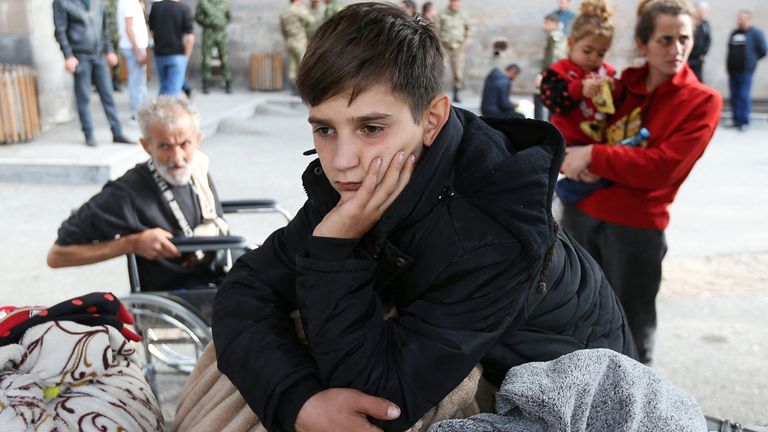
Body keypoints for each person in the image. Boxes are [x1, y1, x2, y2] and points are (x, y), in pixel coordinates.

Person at [212, 3, 636, 432]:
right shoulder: (366, 179)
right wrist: (295, 401)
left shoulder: (491, 229)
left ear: (431, 119)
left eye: (371, 128)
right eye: (324, 129)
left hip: (573, 403)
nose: (341, 161)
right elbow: (243, 291)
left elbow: (379, 400)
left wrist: (333, 248)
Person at [559, 0, 722, 365]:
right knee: (573, 320)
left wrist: (594, 156)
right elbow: (576, 122)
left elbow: (664, 168)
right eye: (665, 40)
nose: (677, 49)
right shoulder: (618, 86)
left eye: (684, 38)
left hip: (635, 228)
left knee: (631, 334)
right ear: (642, 43)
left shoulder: (702, 100)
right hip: (579, 212)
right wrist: (573, 147)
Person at [47, 96, 229, 293]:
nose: (177, 158)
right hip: (178, 294)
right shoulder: (125, 194)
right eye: (165, 146)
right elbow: (57, 256)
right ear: (146, 146)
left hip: (217, 272)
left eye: (184, 144)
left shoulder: (197, 167)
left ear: (197, 140)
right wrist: (130, 243)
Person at [540, 0, 620, 204]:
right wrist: (579, 90)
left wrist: (614, 90)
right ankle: (559, 199)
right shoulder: (560, 71)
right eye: (588, 51)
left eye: (601, 53)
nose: (594, 58)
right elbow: (552, 101)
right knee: (577, 184)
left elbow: (618, 109)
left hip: (597, 143)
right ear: (571, 43)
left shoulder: (607, 73)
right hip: (567, 143)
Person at [52, 0, 134, 147]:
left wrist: (109, 50)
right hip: (80, 55)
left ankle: (117, 132)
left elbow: (105, 27)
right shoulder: (62, 2)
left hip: (99, 55)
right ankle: (89, 134)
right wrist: (68, 55)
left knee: (108, 95)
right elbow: (60, 30)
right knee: (83, 97)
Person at [726, 9, 766, 132]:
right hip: (733, 70)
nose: (739, 21)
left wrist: (751, 61)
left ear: (748, 19)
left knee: (743, 95)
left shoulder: (756, 33)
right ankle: (736, 119)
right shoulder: (735, 33)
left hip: (746, 71)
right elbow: (730, 49)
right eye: (738, 18)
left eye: (741, 19)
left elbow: (763, 50)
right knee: (734, 96)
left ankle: (744, 121)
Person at [148, 0, 195, 96]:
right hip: (177, 54)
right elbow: (189, 37)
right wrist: (186, 56)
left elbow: (152, 31)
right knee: (172, 93)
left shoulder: (155, 7)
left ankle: (159, 108)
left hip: (160, 53)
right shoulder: (183, 9)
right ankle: (164, 109)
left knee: (164, 87)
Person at [118, 0, 149, 121]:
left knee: (140, 81)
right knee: (136, 82)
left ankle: (143, 111)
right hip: (133, 47)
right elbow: (129, 28)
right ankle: (136, 114)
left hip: (136, 46)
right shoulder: (128, 3)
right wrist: (137, 51)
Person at [534, 13, 568, 120]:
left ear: (555, 24)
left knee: (540, 98)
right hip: (554, 75)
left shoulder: (555, 37)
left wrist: (543, 75)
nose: (544, 26)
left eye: (547, 23)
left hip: (553, 76)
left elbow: (555, 59)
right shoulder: (556, 36)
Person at [195, 0, 233, 94]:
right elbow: (198, 17)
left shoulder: (224, 2)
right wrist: (208, 22)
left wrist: (221, 23)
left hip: (221, 33)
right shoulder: (203, 2)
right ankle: (206, 84)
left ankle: (228, 83)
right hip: (208, 32)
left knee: (225, 58)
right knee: (206, 59)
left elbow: (229, 17)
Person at [438, 0, 470, 103]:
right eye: (454, 2)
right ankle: (438, 93)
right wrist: (439, 45)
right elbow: (436, 29)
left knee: (458, 72)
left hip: (458, 49)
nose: (455, 4)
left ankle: (456, 93)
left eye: (457, 2)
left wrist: (464, 44)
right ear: (450, 2)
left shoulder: (463, 15)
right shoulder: (442, 14)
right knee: (439, 70)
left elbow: (468, 31)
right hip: (445, 47)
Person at [281, 0, 314, 92]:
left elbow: (283, 29)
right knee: (303, 64)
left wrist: (288, 39)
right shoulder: (299, 10)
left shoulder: (285, 12)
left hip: (290, 41)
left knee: (292, 66)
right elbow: (311, 21)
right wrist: (305, 10)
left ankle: (293, 88)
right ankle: (302, 90)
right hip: (300, 41)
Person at [687, 1, 710, 82]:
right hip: (688, 58)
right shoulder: (689, 22)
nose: (705, 13)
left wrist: (704, 53)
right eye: (703, 11)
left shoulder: (705, 24)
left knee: (698, 79)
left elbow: (708, 40)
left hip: (698, 59)